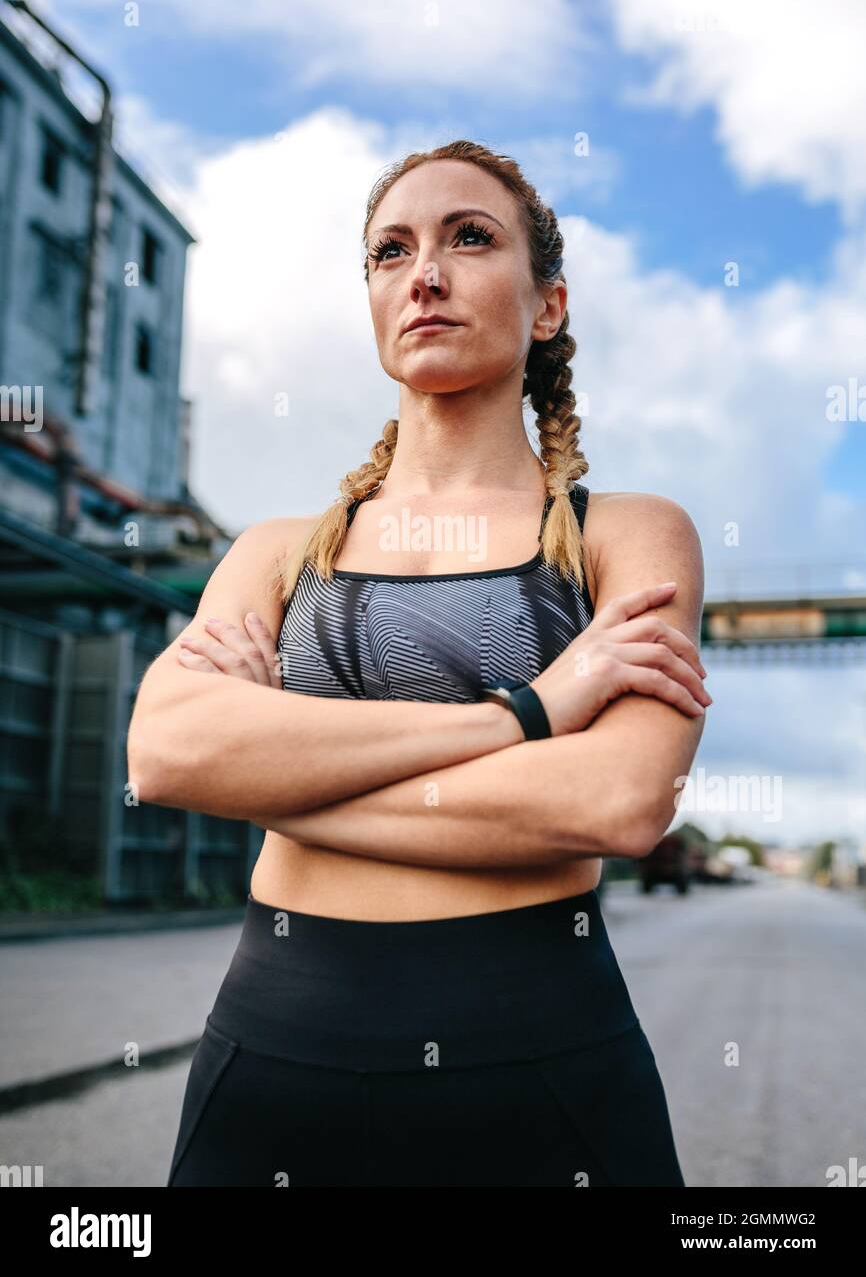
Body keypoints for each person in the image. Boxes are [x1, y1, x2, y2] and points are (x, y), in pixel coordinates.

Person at [127, 138, 711, 1187]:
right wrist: (526, 712)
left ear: (546, 306)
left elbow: (619, 801)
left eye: (468, 238)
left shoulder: (625, 533)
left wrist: (275, 781)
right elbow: (166, 754)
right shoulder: (273, 550)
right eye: (389, 251)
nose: (424, 273)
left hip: (540, 1071)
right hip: (270, 1063)